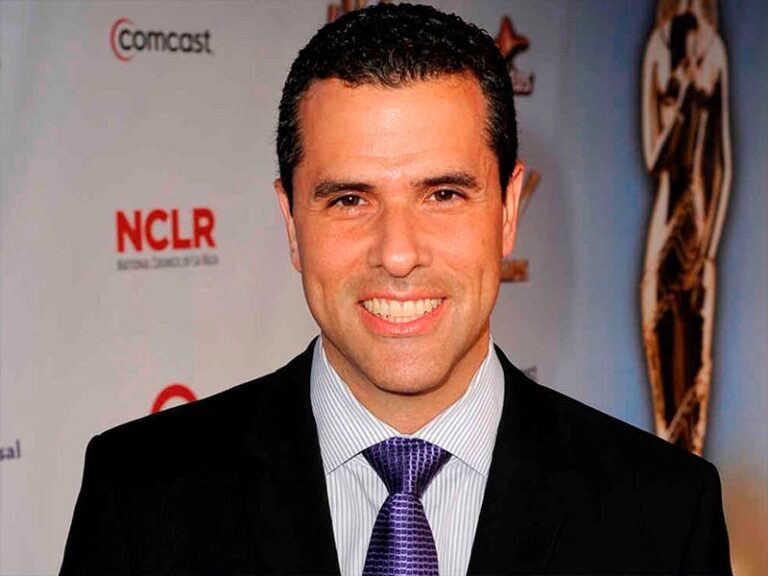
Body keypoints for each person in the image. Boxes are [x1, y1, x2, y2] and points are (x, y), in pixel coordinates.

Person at [61, 4, 731, 574]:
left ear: (508, 211)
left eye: (443, 194)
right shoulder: (140, 496)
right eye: (350, 200)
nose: (399, 254)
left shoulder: (665, 514)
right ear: (291, 224)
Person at [641, 0, 732, 456]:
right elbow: (654, 157)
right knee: (665, 387)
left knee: (697, 381)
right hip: (665, 231)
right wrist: (680, 99)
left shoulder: (714, 50)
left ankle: (694, 485)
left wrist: (709, 248)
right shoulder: (659, 49)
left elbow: (724, 163)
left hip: (700, 238)